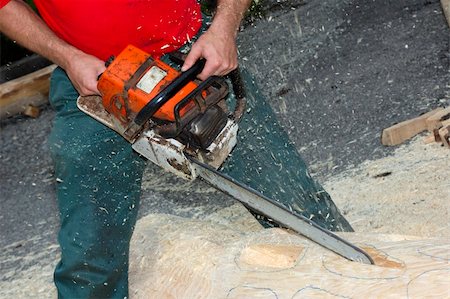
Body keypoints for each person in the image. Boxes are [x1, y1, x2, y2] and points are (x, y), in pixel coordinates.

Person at [0, 0, 353, 298]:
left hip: (191, 58)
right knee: (90, 258)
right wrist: (67, 56)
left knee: (300, 209)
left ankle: (360, 283)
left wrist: (223, 28)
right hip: (91, 78)